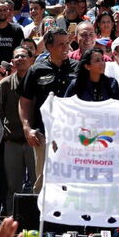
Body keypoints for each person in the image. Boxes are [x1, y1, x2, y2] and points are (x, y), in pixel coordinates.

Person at [17, 27, 77, 193]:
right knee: (43, 183)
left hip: (72, 136)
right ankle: (40, 218)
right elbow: (25, 102)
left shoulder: (78, 69)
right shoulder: (36, 70)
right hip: (44, 135)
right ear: (49, 46)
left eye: (67, 44)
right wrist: (27, 128)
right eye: (60, 44)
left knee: (70, 181)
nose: (66, 48)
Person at [0, 46, 35, 210]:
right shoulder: (5, 85)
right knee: (13, 186)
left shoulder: (38, 82)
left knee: (36, 184)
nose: (20, 59)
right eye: (16, 57)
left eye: (23, 56)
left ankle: (34, 222)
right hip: (12, 142)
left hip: (34, 142)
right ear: (12, 61)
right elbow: (0, 112)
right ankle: (11, 222)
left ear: (31, 60)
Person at [0, 0, 24, 64]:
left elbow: (20, 50)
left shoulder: (17, 29)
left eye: (5, 10)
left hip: (12, 68)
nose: (3, 12)